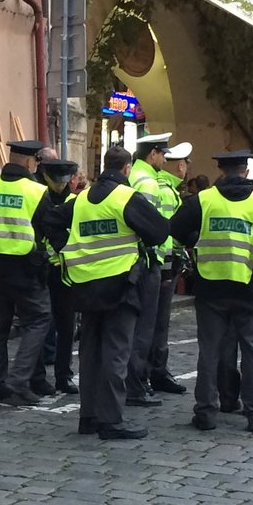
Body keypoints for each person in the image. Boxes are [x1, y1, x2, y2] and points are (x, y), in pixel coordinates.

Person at [44, 146, 169, 440]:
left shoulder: (81, 199)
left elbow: (49, 221)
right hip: (120, 284)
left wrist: (68, 248)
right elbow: (160, 231)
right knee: (116, 352)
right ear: (126, 169)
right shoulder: (125, 197)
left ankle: (88, 417)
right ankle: (111, 420)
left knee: (89, 352)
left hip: (85, 284)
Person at [170, 150, 253, 433]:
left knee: (209, 351)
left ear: (221, 171)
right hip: (251, 288)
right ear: (247, 172)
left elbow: (174, 228)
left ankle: (205, 413)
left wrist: (198, 242)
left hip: (210, 288)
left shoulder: (204, 200)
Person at [0, 140, 52, 407]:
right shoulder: (37, 190)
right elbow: (47, 230)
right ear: (30, 162)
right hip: (25, 268)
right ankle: (19, 380)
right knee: (38, 319)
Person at [125, 132, 171, 407]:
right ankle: (136, 385)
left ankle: (133, 382)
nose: (164, 159)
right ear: (153, 154)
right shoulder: (148, 183)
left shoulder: (135, 176)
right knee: (143, 329)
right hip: (147, 261)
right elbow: (150, 227)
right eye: (163, 154)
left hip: (133, 260)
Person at [29, 159, 79, 396]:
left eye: (64, 180)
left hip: (66, 272)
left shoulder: (75, 201)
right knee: (40, 325)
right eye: (56, 179)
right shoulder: (38, 196)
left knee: (66, 327)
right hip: (40, 269)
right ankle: (37, 377)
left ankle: (63, 376)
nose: (60, 185)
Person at [149, 140, 192, 396]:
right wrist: (167, 269)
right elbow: (166, 233)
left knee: (156, 323)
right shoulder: (164, 189)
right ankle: (156, 371)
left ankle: (155, 370)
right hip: (163, 265)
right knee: (157, 323)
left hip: (162, 264)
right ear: (181, 166)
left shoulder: (164, 186)